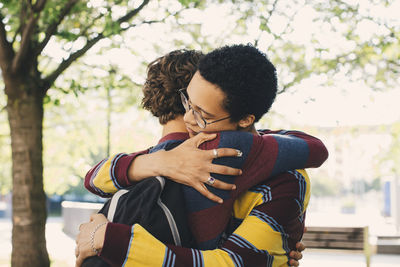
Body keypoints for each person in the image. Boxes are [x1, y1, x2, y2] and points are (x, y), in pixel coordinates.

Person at [76, 45, 328, 266]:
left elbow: (231, 263)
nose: (188, 119)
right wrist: (161, 162)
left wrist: (107, 239)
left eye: (202, 115)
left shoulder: (282, 177)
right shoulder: (175, 159)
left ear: (245, 119)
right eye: (188, 103)